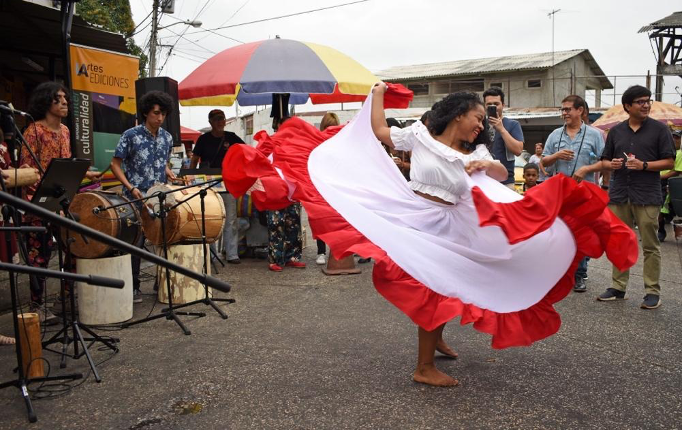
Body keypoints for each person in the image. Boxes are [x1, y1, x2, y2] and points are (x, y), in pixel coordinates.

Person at [222, 83, 637, 388]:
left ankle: (436, 343)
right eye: (477, 119)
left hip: (455, 224)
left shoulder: (475, 153)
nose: (480, 126)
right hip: (420, 218)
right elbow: (381, 132)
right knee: (433, 289)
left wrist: (485, 169)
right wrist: (378, 94)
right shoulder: (418, 136)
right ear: (459, 114)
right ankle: (423, 367)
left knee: (453, 285)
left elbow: (496, 170)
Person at [20, 82, 100, 323]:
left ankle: (65, 299)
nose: (65, 102)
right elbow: (27, 172)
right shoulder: (33, 131)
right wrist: (46, 203)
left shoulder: (65, 131)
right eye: (59, 98)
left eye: (66, 98)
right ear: (46, 102)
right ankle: (37, 306)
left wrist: (85, 173)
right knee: (39, 257)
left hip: (62, 202)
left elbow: (63, 166)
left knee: (73, 249)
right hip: (38, 204)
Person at [598, 85, 675, 309]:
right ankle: (618, 287)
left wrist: (644, 165)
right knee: (620, 242)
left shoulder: (660, 130)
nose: (646, 105)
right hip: (620, 193)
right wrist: (609, 164)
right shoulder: (616, 132)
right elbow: (605, 161)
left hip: (647, 195)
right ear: (627, 106)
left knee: (650, 246)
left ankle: (652, 291)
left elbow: (669, 162)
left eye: (648, 101)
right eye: (640, 102)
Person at [111, 91, 177, 303]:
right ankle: (134, 287)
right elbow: (115, 164)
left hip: (158, 197)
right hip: (134, 197)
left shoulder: (167, 138)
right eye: (156, 113)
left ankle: (161, 283)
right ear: (146, 112)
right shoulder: (131, 135)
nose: (160, 118)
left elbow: (163, 161)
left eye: (163, 114)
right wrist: (130, 188)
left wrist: (167, 171)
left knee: (161, 240)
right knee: (135, 244)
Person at [542, 95, 606, 293]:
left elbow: (604, 161)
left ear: (580, 111)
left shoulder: (595, 135)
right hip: (559, 194)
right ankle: (559, 274)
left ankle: (579, 275)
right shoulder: (554, 135)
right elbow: (544, 162)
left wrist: (586, 169)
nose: (564, 113)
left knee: (581, 235)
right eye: (563, 110)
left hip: (584, 193)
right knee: (559, 234)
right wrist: (556, 155)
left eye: (568, 109)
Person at [191, 109, 245, 264]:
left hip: (228, 183)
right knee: (210, 219)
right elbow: (194, 159)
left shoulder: (231, 137)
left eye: (222, 118)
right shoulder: (203, 139)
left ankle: (232, 253)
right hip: (207, 185)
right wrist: (191, 178)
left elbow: (245, 152)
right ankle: (211, 254)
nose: (220, 121)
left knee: (231, 219)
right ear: (210, 122)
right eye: (216, 119)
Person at [265, 116, 305, 272]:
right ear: (278, 126)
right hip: (275, 192)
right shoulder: (270, 143)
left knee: (293, 225)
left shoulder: (297, 145)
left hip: (293, 192)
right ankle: (275, 259)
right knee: (276, 225)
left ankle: (292, 257)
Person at [482, 87, 524, 189]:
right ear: (484, 106)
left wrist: (501, 129)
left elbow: (518, 150)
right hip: (483, 180)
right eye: (489, 104)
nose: (493, 107)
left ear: (503, 105)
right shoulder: (480, 125)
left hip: (506, 182)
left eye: (496, 104)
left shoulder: (512, 124)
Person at [315, 113, 341, 265]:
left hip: (336, 186)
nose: (330, 130)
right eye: (327, 127)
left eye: (332, 127)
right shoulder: (317, 143)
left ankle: (337, 250)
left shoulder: (340, 142)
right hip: (320, 186)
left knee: (337, 220)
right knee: (320, 220)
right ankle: (321, 251)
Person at [658, 129, 681, 241]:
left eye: (677, 138)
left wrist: (660, 177)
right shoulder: (664, 151)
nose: (674, 140)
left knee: (663, 208)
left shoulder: (680, 154)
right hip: (660, 182)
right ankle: (661, 230)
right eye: (673, 137)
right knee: (660, 208)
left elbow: (677, 171)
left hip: (672, 183)